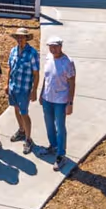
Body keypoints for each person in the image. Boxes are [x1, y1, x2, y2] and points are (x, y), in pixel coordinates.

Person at [39, 36, 76, 171]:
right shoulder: (49, 58)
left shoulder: (68, 62)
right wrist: (42, 93)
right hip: (48, 98)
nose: (53, 49)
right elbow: (46, 77)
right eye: (51, 46)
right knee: (49, 124)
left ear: (61, 46)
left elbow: (72, 83)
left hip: (60, 101)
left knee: (60, 127)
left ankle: (61, 155)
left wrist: (70, 102)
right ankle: (53, 146)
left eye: (55, 46)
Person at [7, 27, 40, 155]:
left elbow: (36, 74)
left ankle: (28, 139)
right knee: (16, 109)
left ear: (27, 38)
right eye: (18, 37)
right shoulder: (13, 51)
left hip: (24, 89)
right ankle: (21, 131)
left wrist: (34, 90)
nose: (20, 39)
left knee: (24, 113)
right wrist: (7, 84)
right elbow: (10, 68)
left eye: (22, 37)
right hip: (13, 87)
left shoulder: (32, 53)